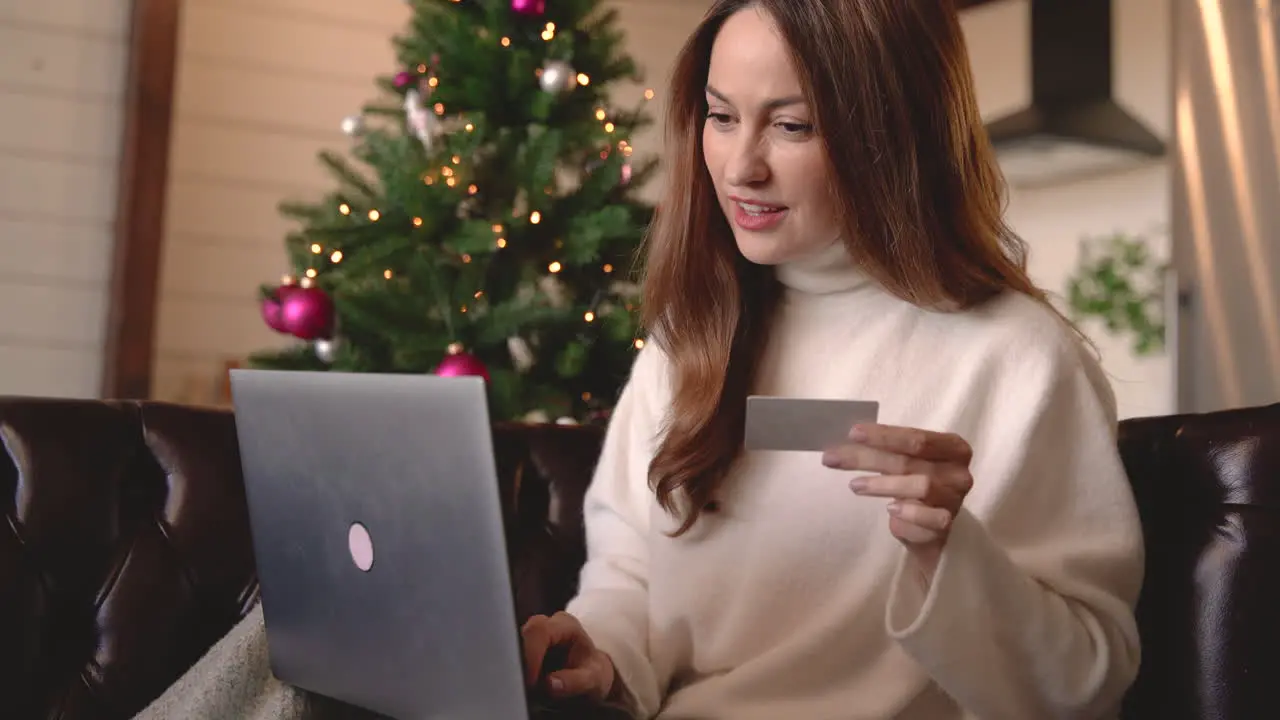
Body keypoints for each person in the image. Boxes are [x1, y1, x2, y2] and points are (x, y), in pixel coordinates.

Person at [519, 0, 1146, 718]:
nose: (741, 167)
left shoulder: (1020, 359)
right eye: (721, 117)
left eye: (792, 126)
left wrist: (949, 552)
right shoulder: (687, 335)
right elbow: (628, 573)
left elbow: (1084, 687)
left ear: (895, 132)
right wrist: (602, 653)